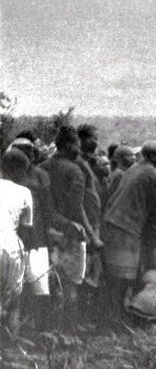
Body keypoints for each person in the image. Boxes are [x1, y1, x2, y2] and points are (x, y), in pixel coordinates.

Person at [103, 141, 156, 319]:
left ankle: (118, 314)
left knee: (117, 276)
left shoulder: (134, 169)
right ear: (151, 156)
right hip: (125, 227)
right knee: (123, 277)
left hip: (114, 223)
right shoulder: (152, 174)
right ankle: (117, 317)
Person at [39, 126, 90, 327]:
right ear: (69, 145)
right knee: (71, 283)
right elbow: (77, 207)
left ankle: (51, 327)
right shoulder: (75, 170)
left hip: (47, 230)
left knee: (50, 281)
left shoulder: (43, 166)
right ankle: (69, 329)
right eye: (77, 144)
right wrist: (89, 233)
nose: (79, 148)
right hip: (70, 231)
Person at [10, 140, 55, 329]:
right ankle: (16, 329)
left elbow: (48, 209)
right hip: (14, 239)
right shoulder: (7, 175)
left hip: (36, 239)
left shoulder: (40, 175)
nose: (29, 155)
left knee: (39, 286)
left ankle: (41, 329)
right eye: (24, 151)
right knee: (14, 288)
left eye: (30, 151)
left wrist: (50, 239)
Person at [0, 150, 33, 336]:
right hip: (10, 247)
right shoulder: (24, 192)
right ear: (19, 170)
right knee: (13, 302)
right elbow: (27, 231)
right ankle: (11, 349)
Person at [76, 124, 104, 288]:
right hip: (87, 222)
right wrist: (92, 233)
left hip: (93, 220)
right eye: (94, 138)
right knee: (87, 263)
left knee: (93, 262)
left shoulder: (86, 161)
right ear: (83, 140)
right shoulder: (79, 163)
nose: (96, 142)